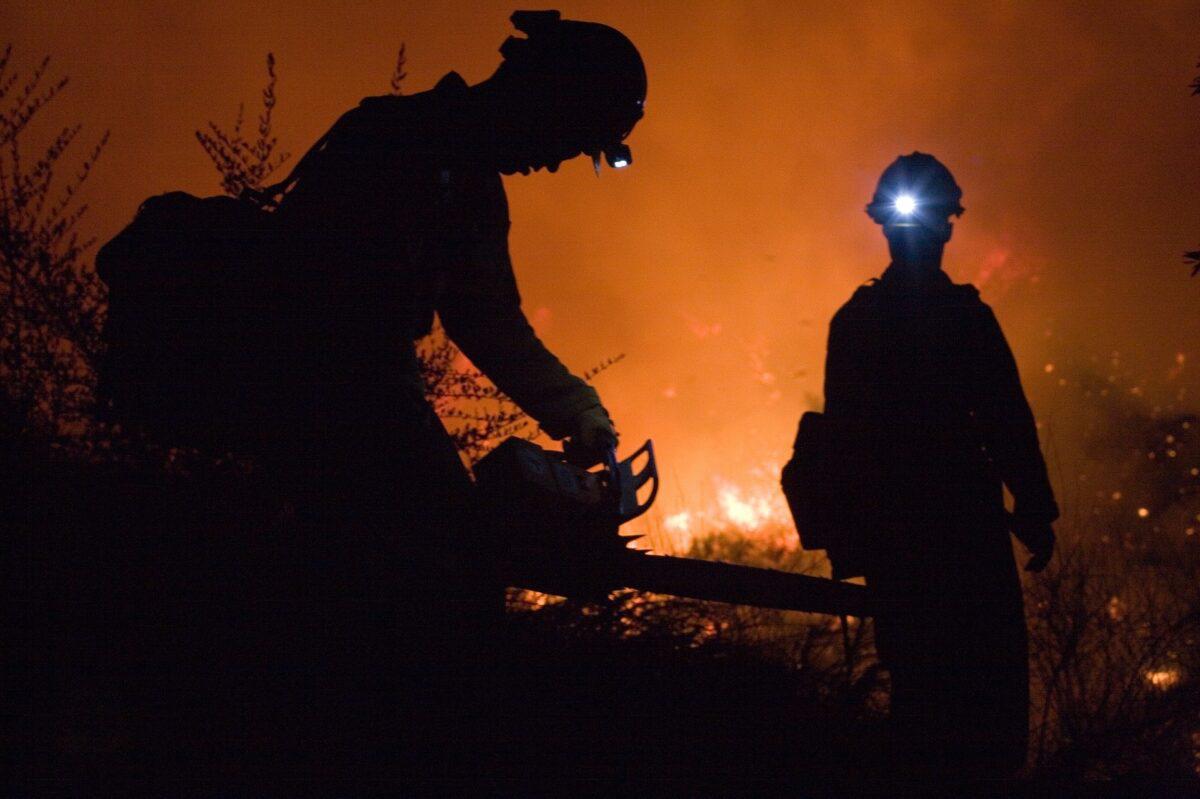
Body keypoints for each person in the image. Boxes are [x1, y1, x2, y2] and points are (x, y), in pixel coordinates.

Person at [192, 10, 646, 772]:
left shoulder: (466, 180)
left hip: (359, 387)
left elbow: (487, 319)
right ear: (541, 96)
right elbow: (318, 303)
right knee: (439, 573)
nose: (556, 161)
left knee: (410, 578)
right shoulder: (396, 140)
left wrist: (577, 409)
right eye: (566, 138)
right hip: (322, 385)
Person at [821, 153, 1058, 777]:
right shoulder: (962, 319)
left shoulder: (860, 322)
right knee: (980, 685)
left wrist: (853, 535)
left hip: (907, 533)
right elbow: (1007, 421)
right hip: (956, 525)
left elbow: (1005, 419)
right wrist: (1034, 508)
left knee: (926, 691)